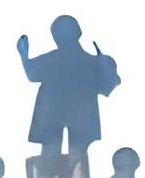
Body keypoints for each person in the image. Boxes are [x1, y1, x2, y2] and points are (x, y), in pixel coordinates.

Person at [17, 18, 120, 160]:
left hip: (55, 117)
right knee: (72, 155)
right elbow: (108, 85)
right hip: (69, 119)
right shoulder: (91, 62)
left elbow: (32, 74)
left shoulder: (55, 59)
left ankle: (53, 174)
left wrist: (24, 56)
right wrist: (106, 65)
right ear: (78, 32)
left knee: (61, 155)